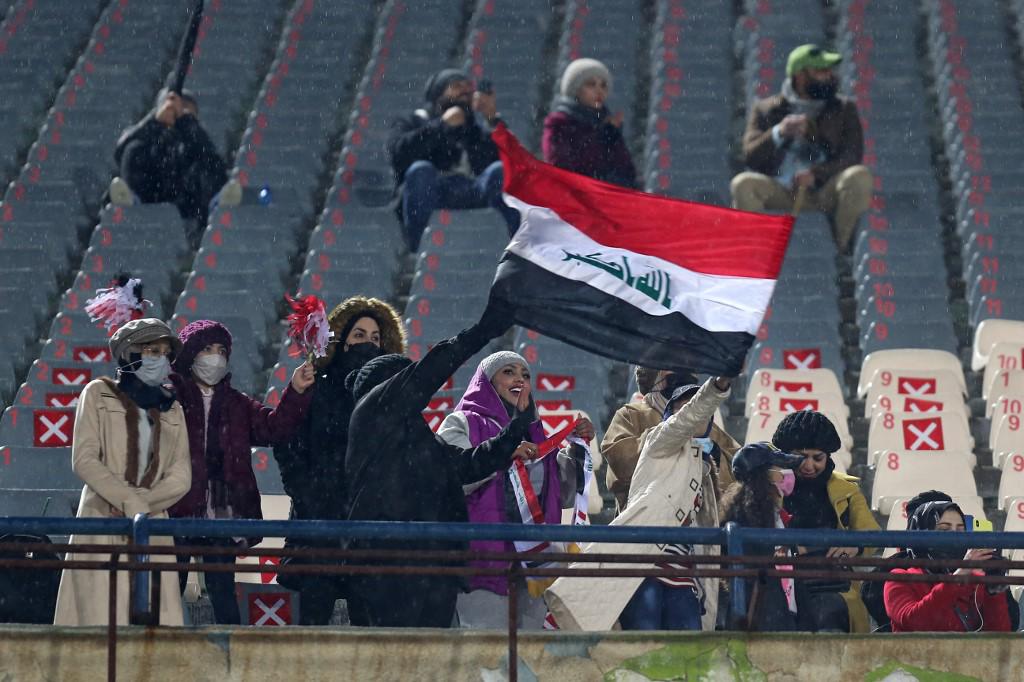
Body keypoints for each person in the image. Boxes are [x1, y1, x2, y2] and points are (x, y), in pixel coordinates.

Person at [343, 301, 539, 628]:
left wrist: (516, 428)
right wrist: (481, 333)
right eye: (405, 378)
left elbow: (467, 465)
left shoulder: (417, 433)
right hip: (390, 568)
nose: (413, 385)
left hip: (431, 567)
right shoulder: (373, 409)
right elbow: (430, 370)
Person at [545, 377, 733, 631]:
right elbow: (686, 420)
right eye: (683, 408)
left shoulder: (704, 465)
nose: (692, 414)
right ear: (671, 418)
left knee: (689, 657)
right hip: (644, 567)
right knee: (641, 651)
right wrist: (717, 387)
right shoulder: (657, 442)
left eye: (698, 410)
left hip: (683, 574)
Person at [168, 320, 315, 625]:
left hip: (222, 509)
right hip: (176, 504)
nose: (215, 357)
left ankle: (230, 660)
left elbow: (274, 428)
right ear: (190, 353)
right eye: (207, 348)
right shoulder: (169, 398)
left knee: (223, 593)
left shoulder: (238, 403)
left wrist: (296, 391)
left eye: (221, 350)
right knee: (168, 590)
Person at [272, 296, 406, 625]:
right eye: (359, 335)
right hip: (318, 531)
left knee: (369, 640)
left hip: (370, 534)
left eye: (375, 338)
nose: (367, 344)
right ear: (341, 339)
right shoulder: (316, 387)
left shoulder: (389, 397)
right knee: (310, 638)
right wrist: (309, 496)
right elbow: (287, 446)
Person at [436, 351, 594, 629]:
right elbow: (451, 480)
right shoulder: (460, 422)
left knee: (530, 656)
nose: (519, 379)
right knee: (487, 655)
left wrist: (578, 450)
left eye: (525, 375)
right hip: (482, 560)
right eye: (508, 372)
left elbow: (563, 495)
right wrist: (502, 452)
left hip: (533, 566)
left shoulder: (536, 434)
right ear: (486, 382)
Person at [54, 319, 191, 626]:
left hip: (152, 527)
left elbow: (181, 475)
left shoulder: (173, 408)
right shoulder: (97, 394)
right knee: (98, 624)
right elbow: (85, 459)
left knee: (156, 628)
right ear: (129, 354)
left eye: (165, 353)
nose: (160, 359)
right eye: (151, 350)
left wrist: (142, 504)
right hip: (101, 519)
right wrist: (127, 500)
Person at [731, 44, 872, 252]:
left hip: (823, 191)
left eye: (829, 70)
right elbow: (751, 156)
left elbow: (851, 155)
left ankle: (842, 250)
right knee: (743, 183)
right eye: (821, 71)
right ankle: (755, 253)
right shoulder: (766, 109)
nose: (829, 76)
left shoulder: (844, 109)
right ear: (800, 76)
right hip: (781, 191)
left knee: (859, 176)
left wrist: (816, 173)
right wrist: (779, 132)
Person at [387, 69, 519, 252]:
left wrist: (492, 118)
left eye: (468, 87)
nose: (465, 91)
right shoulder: (414, 122)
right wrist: (441, 126)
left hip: (471, 190)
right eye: (457, 86)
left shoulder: (475, 132)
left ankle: (517, 248)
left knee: (500, 170)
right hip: (433, 191)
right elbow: (398, 154)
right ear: (438, 95)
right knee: (420, 170)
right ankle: (415, 248)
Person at [772, 409, 879, 633]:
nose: (809, 466)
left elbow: (871, 535)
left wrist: (854, 545)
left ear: (828, 457)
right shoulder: (768, 488)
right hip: (779, 582)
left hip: (834, 585)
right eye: (801, 457)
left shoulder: (848, 491)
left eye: (817, 458)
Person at [602, 366, 739, 513]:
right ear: (653, 379)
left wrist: (713, 454)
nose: (683, 377)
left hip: (700, 524)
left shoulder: (705, 425)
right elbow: (622, 465)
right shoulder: (630, 415)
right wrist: (671, 436)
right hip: (646, 521)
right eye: (674, 375)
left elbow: (737, 470)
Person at [112, 88, 239, 245]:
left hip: (191, 210)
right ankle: (130, 203)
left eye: (187, 114)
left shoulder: (196, 142)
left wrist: (186, 123)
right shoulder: (146, 138)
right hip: (150, 203)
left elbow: (215, 163)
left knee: (208, 163)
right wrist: (155, 121)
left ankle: (219, 205)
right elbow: (120, 152)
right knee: (134, 149)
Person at [884, 501, 1012, 632]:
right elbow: (915, 623)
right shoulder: (898, 578)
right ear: (921, 535)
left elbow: (1000, 635)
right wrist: (957, 577)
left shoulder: (974, 581)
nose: (954, 537)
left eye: (960, 530)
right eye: (944, 530)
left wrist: (994, 592)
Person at [719, 442, 806, 631]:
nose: (785, 473)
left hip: (774, 603)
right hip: (764, 608)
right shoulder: (749, 513)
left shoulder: (769, 510)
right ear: (763, 474)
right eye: (778, 468)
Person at [542, 58, 636, 187]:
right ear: (576, 89)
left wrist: (611, 136)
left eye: (603, 85)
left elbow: (627, 174)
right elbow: (562, 170)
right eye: (591, 84)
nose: (599, 91)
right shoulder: (559, 124)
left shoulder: (607, 126)